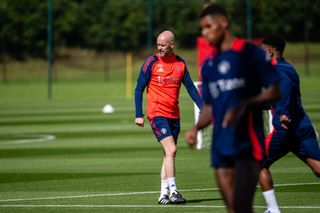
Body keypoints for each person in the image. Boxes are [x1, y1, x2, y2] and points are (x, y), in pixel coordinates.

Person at [184, 4, 280, 213]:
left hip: (247, 144)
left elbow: (274, 91)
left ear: (224, 23)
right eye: (202, 28)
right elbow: (209, 107)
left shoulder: (250, 53)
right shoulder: (208, 66)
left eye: (208, 26)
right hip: (220, 146)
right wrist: (196, 128)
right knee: (234, 210)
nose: (205, 33)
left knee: (241, 208)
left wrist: (245, 104)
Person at [134, 30, 204, 204]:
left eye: (163, 45)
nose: (159, 48)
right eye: (157, 44)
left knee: (168, 155)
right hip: (157, 114)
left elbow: (190, 87)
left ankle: (162, 195)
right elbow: (138, 89)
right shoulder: (151, 62)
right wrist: (138, 114)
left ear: (172, 45)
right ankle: (173, 191)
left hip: (174, 115)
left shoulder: (180, 63)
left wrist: (203, 107)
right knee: (172, 150)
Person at [259, 32, 320, 213]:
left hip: (285, 129)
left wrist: (283, 113)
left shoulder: (278, 70)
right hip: (301, 127)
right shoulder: (288, 67)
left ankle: (273, 210)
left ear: (270, 52)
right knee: (318, 168)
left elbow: (284, 87)